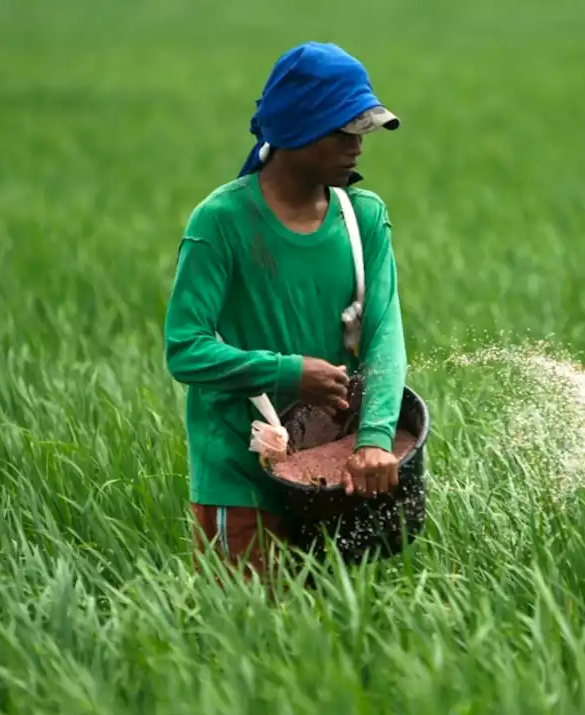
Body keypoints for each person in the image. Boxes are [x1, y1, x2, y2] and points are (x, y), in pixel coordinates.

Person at [163, 41, 408, 584]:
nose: (358, 148)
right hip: (238, 472)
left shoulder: (363, 218)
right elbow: (184, 348)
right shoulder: (221, 221)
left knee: (334, 639)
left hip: (334, 469)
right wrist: (289, 372)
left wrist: (373, 440)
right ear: (298, 129)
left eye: (362, 133)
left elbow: (385, 334)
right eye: (344, 133)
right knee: (245, 637)